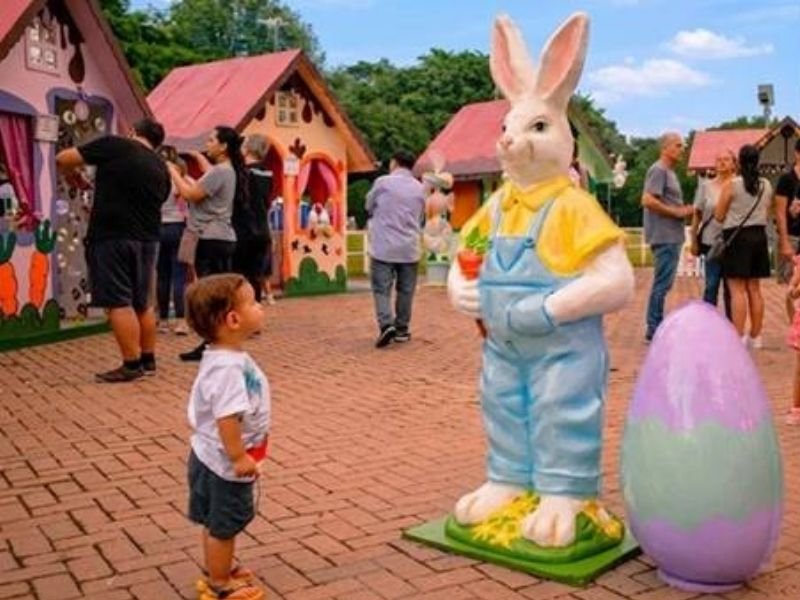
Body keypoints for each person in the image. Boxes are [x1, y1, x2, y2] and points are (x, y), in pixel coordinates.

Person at [56, 118, 170, 383]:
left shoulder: (116, 145)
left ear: (132, 131)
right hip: (148, 238)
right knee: (143, 303)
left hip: (113, 235)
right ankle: (147, 359)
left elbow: (64, 158)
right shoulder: (160, 166)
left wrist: (72, 176)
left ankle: (130, 364)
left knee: (118, 301)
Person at [184, 274, 269, 600]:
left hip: (209, 457)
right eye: (253, 302)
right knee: (225, 523)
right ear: (233, 319)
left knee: (215, 519)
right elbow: (227, 418)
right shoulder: (228, 369)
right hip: (223, 463)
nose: (259, 307)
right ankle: (220, 584)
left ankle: (217, 567)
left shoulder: (224, 358)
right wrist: (238, 457)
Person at [168, 126, 243, 362]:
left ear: (224, 146)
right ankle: (217, 342)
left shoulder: (221, 171)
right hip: (221, 236)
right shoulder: (227, 170)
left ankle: (213, 343)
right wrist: (199, 159)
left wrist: (174, 172)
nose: (207, 143)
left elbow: (191, 194)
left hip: (210, 237)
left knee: (210, 296)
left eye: (211, 140)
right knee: (220, 295)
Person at [714, 144, 773, 348]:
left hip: (737, 238)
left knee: (737, 289)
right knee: (755, 289)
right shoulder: (766, 184)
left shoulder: (732, 184)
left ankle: (737, 337)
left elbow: (719, 215)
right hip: (759, 236)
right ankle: (756, 336)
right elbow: (766, 212)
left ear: (738, 161)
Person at [365, 151, 426, 347]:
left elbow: (368, 205)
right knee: (406, 290)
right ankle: (402, 329)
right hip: (409, 247)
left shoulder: (383, 182)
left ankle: (386, 325)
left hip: (384, 245)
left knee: (382, 289)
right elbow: (421, 216)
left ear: (394, 163)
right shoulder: (420, 188)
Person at [641, 132, 694, 341]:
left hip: (671, 234)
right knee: (662, 283)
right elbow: (647, 200)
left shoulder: (669, 172)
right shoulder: (659, 170)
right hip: (664, 235)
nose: (682, 149)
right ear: (665, 148)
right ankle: (654, 328)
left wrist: (683, 209)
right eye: (678, 146)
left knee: (664, 283)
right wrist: (677, 212)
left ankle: (655, 325)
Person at [690, 149, 736, 311]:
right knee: (711, 285)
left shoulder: (738, 185)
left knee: (732, 289)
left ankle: (732, 327)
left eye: (726, 159)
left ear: (733, 164)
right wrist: (694, 240)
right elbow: (697, 214)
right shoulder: (705, 186)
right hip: (711, 242)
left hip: (733, 242)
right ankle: (709, 324)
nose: (722, 162)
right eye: (719, 159)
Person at [233, 135, 272, 304]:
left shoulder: (244, 173)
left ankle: (244, 312)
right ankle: (254, 312)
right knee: (255, 276)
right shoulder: (267, 173)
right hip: (262, 229)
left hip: (245, 230)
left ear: (248, 149)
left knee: (240, 276)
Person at [156, 147, 189, 335]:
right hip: (177, 227)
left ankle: (162, 321)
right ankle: (181, 321)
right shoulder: (180, 180)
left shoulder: (154, 180)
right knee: (179, 276)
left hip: (158, 227)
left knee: (162, 276)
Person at [774, 139, 800, 317]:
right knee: (792, 286)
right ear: (797, 153)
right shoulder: (786, 179)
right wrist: (784, 241)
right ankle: (795, 330)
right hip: (792, 237)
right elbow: (780, 212)